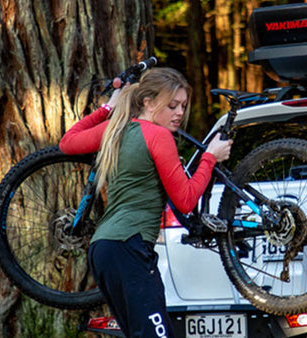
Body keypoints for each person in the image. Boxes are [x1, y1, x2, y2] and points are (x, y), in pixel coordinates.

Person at [59, 67, 232, 337]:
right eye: (172, 105)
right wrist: (209, 157)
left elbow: (67, 142)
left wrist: (107, 108)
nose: (179, 113)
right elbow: (185, 200)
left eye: (183, 106)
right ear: (148, 103)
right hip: (129, 249)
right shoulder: (158, 136)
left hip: (103, 251)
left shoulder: (115, 129)